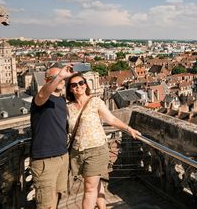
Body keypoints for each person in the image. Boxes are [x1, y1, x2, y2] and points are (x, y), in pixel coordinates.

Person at [66, 73, 140, 209]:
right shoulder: (68, 108)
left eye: (81, 83)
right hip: (77, 152)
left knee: (89, 189)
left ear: (86, 84)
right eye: (74, 85)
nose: (78, 86)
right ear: (70, 89)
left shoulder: (95, 102)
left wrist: (129, 129)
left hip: (96, 150)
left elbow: (111, 119)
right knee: (95, 184)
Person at [30, 65, 75, 209]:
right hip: (45, 159)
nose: (60, 81)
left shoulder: (62, 101)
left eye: (62, 78)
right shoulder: (40, 100)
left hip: (62, 156)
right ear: (46, 80)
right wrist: (60, 76)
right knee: (45, 205)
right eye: (55, 78)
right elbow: (43, 94)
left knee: (57, 196)